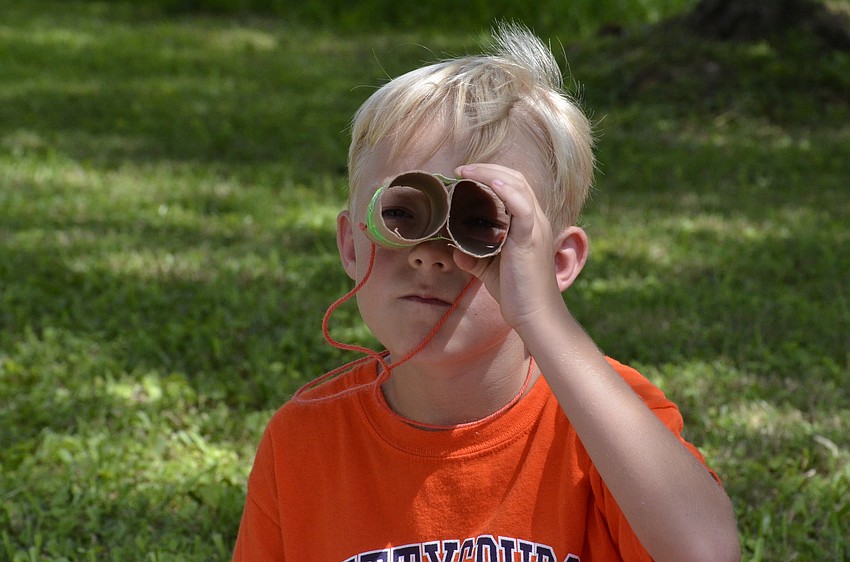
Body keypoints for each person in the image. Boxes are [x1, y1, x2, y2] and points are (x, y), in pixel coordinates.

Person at [232, 23, 741, 562]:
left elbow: (706, 553)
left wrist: (541, 315)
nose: (432, 255)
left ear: (556, 263)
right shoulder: (304, 441)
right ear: (352, 244)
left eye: (479, 222)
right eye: (403, 213)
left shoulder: (605, 421)